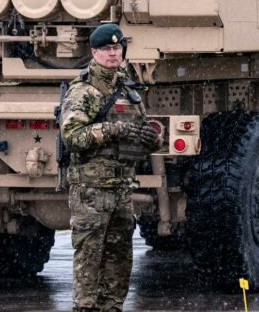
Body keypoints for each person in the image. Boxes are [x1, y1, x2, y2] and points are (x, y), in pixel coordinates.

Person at [60, 23, 161, 312]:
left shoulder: (128, 90)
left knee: (119, 256)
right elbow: (72, 137)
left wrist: (151, 139)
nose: (113, 54)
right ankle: (86, 307)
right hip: (92, 189)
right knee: (90, 254)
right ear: (94, 52)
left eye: (117, 48)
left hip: (121, 188)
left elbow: (139, 134)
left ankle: (112, 306)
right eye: (106, 49)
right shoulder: (85, 92)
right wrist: (112, 129)